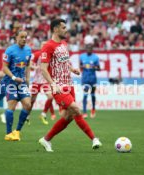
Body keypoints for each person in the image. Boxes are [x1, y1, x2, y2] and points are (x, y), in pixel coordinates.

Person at [38, 19, 102, 152]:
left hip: (69, 84)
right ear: (55, 29)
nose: (66, 30)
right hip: (58, 86)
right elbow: (43, 68)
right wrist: (53, 84)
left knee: (68, 116)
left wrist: (72, 69)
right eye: (63, 27)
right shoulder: (48, 46)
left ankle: (46, 139)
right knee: (76, 109)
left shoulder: (64, 43)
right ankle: (94, 139)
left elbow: (65, 61)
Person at [2, 30, 32, 141]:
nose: (24, 39)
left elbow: (28, 65)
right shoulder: (9, 51)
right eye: (22, 37)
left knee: (28, 105)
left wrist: (28, 79)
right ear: (16, 38)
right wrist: (14, 78)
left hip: (22, 82)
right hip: (11, 81)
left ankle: (17, 131)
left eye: (26, 37)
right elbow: (4, 67)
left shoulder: (28, 50)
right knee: (12, 107)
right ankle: (8, 133)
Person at [27, 41, 56, 125]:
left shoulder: (50, 55)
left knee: (50, 97)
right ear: (40, 47)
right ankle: (27, 116)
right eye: (43, 45)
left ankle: (43, 114)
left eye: (45, 45)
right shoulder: (37, 54)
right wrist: (35, 67)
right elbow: (30, 65)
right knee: (32, 100)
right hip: (36, 81)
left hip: (45, 80)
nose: (44, 47)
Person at [79, 44, 100, 118]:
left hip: (93, 79)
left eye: (90, 48)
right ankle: (84, 112)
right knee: (85, 95)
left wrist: (94, 67)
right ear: (86, 49)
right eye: (87, 48)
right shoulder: (82, 56)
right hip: (85, 79)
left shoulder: (95, 57)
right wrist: (83, 66)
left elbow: (99, 68)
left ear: (92, 49)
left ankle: (93, 109)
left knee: (93, 95)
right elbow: (80, 66)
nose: (88, 50)